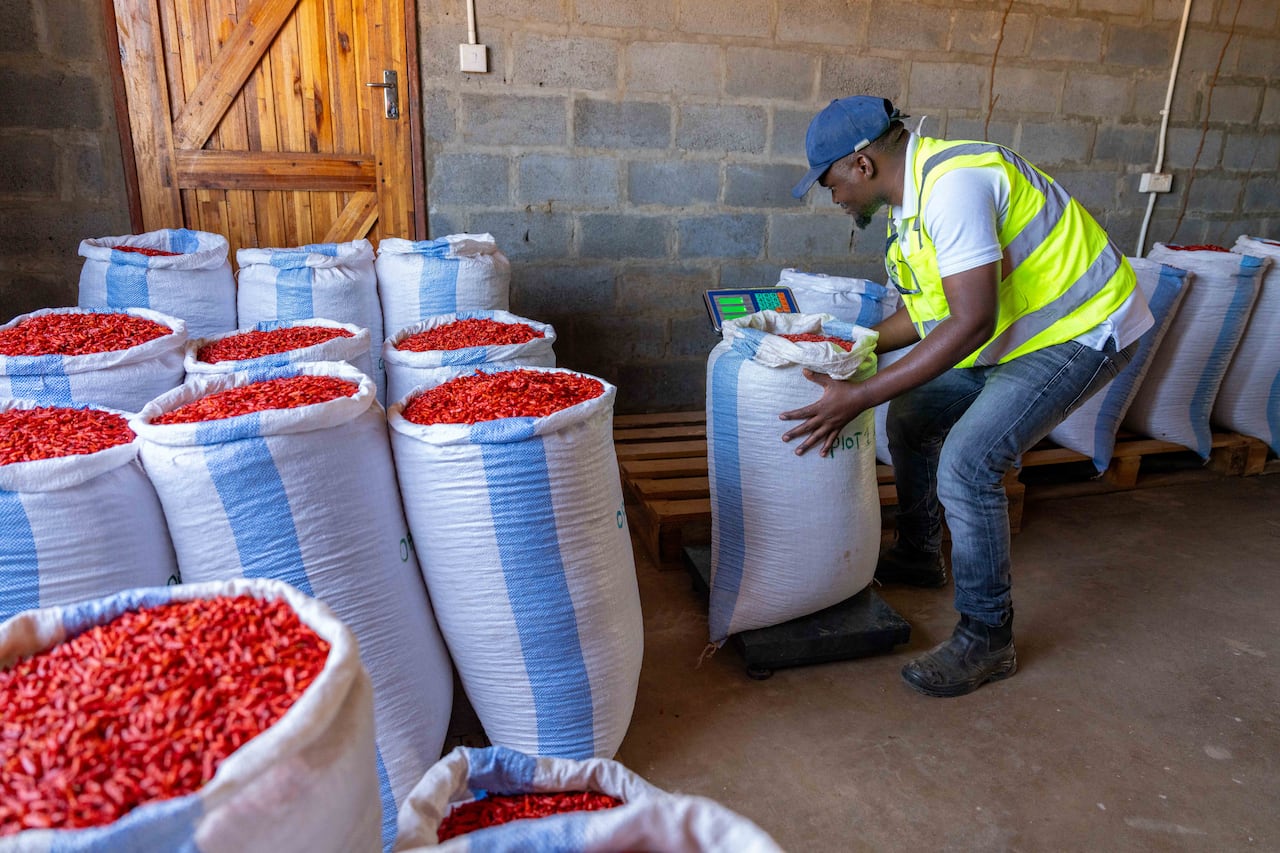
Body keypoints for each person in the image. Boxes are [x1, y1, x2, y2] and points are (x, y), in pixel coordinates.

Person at [783, 96, 1153, 698]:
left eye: (832, 184)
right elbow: (930, 315)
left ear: (862, 164)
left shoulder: (954, 186)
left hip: (1082, 331)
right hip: (1017, 333)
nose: (836, 199)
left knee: (968, 463)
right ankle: (921, 553)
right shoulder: (913, 207)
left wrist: (859, 394)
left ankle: (988, 637)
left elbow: (971, 321)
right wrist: (852, 344)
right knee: (910, 417)